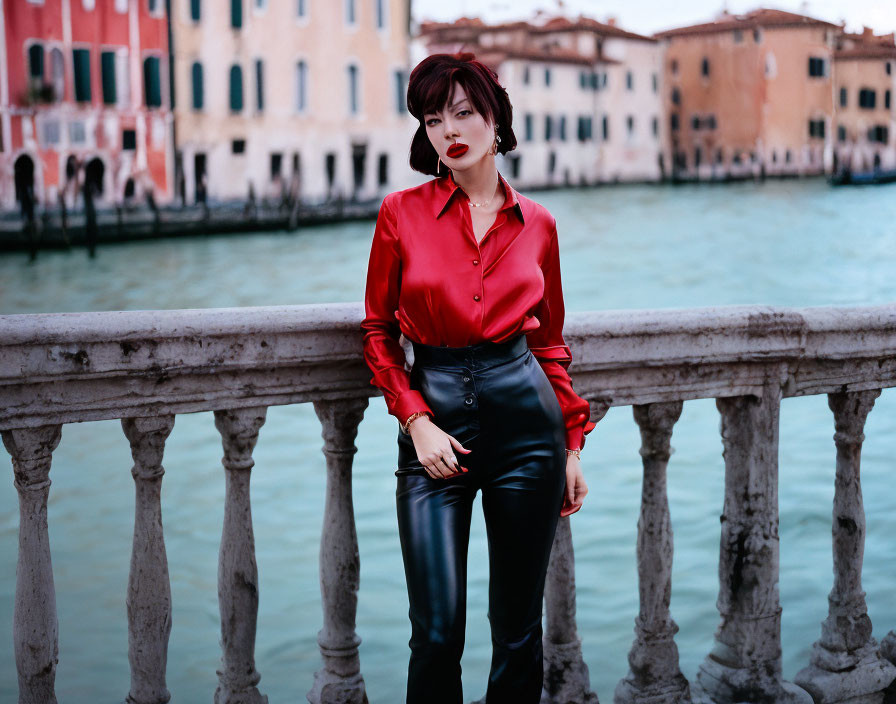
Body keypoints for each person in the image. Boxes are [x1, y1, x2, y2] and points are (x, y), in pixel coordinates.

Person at [360, 52, 596, 704]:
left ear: (497, 120)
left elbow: (549, 345)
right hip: (434, 432)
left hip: (529, 433)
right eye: (434, 119)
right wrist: (415, 420)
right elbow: (378, 332)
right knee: (436, 634)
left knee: (518, 635)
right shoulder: (400, 214)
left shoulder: (539, 224)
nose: (449, 131)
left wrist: (572, 443)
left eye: (464, 113)